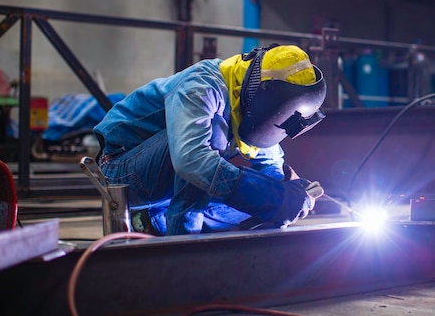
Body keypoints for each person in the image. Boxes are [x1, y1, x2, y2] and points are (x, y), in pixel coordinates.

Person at [93, 43, 327, 236]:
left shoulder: (254, 100)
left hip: (165, 178)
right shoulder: (202, 87)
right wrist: (273, 198)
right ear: (264, 96)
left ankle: (154, 221)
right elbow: (191, 161)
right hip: (121, 170)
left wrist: (290, 191)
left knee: (269, 190)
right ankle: (183, 241)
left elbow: (271, 165)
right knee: (212, 144)